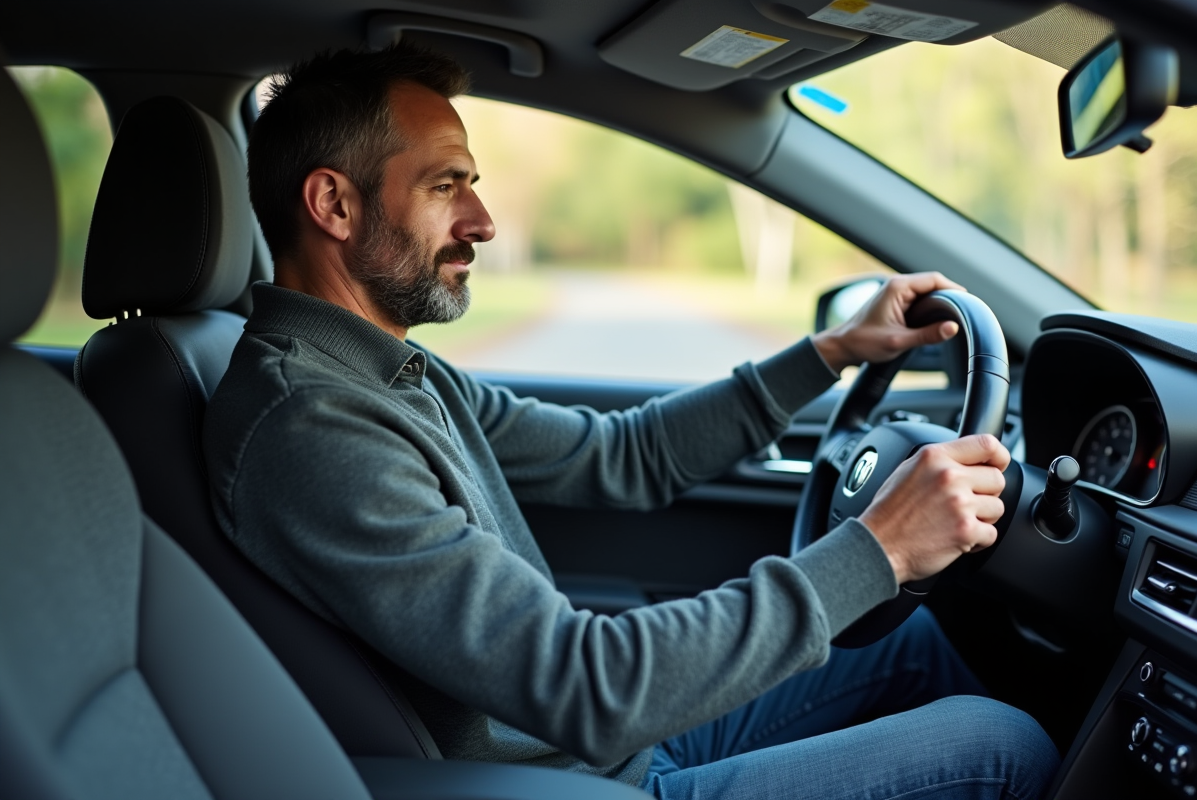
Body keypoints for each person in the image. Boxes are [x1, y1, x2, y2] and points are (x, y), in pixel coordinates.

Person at [203, 42, 1060, 799]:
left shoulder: (387, 373)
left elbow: (624, 454)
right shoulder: (312, 428)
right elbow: (589, 686)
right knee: (1002, 746)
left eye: (473, 185)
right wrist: (882, 549)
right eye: (445, 185)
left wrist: (832, 350)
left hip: (598, 754)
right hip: (561, 782)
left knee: (908, 645)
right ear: (335, 204)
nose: (483, 222)